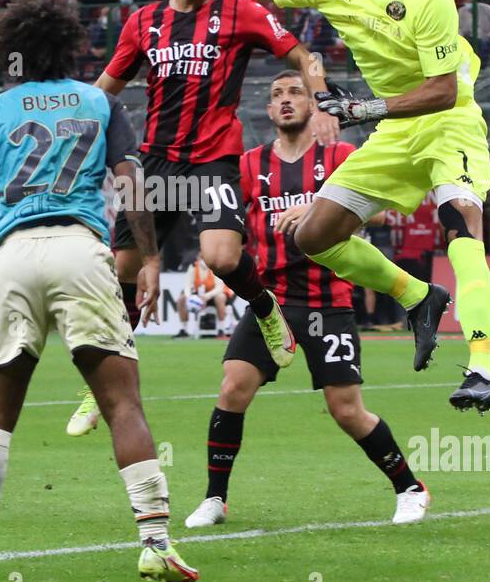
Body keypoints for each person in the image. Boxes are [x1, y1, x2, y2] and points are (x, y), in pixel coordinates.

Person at [115, 0, 490, 411]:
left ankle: (480, 367)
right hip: (392, 130)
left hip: (448, 123)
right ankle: (417, 296)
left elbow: (444, 91)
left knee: (460, 224)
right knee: (314, 235)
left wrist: (361, 108)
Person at [0, 0, 198, 582]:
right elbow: (131, 180)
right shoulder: (100, 101)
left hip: (12, 253)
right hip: (81, 252)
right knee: (121, 405)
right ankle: (155, 543)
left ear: (13, 51)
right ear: (69, 46)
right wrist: (152, 256)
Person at [63, 0, 333, 435]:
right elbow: (105, 89)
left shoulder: (240, 11)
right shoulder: (142, 22)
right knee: (122, 274)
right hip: (157, 163)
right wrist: (69, 121)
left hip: (213, 160)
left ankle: (265, 308)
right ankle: (99, 387)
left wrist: (321, 100)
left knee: (220, 255)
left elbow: (305, 54)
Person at [184, 72, 431, 529]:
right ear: (269, 110)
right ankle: (215, 499)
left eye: (295, 91)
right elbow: (226, 222)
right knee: (232, 387)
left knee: (346, 409)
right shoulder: (248, 165)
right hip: (271, 303)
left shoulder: (340, 156)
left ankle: (410, 488)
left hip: (328, 299)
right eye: (276, 94)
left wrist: (320, 207)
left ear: (314, 103)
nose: (285, 100)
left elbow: (379, 204)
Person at [174, 257, 233, 339]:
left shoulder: (216, 266)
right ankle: (184, 329)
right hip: (199, 296)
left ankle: (221, 329)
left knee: (220, 297)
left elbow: (219, 287)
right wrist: (190, 297)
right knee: (181, 299)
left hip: (213, 295)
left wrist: (206, 296)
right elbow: (188, 285)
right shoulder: (194, 266)